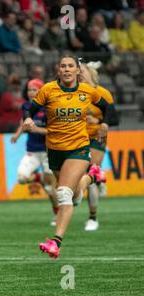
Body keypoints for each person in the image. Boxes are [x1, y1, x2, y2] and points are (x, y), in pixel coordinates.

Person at [22, 54, 112, 259]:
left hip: (78, 148)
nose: (67, 69)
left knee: (62, 193)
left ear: (78, 70)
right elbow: (31, 108)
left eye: (71, 66)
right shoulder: (48, 90)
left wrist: (104, 123)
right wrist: (27, 119)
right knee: (74, 197)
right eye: (63, 66)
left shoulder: (87, 91)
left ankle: (56, 242)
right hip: (54, 149)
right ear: (59, 70)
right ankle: (92, 177)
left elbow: (107, 108)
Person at [10, 79, 58, 225]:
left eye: (34, 90)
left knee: (51, 188)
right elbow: (24, 121)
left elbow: (54, 131)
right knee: (22, 178)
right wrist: (18, 134)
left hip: (49, 151)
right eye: (29, 90)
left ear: (41, 91)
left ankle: (57, 214)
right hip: (32, 151)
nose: (31, 93)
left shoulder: (49, 108)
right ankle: (38, 177)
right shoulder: (26, 106)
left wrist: (37, 129)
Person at [79, 61, 119, 231]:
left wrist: (98, 120)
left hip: (96, 136)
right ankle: (99, 178)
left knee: (90, 173)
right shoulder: (74, 94)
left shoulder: (102, 94)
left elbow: (115, 119)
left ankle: (93, 218)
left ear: (90, 73)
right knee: (81, 177)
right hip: (77, 138)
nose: (79, 74)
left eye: (81, 70)